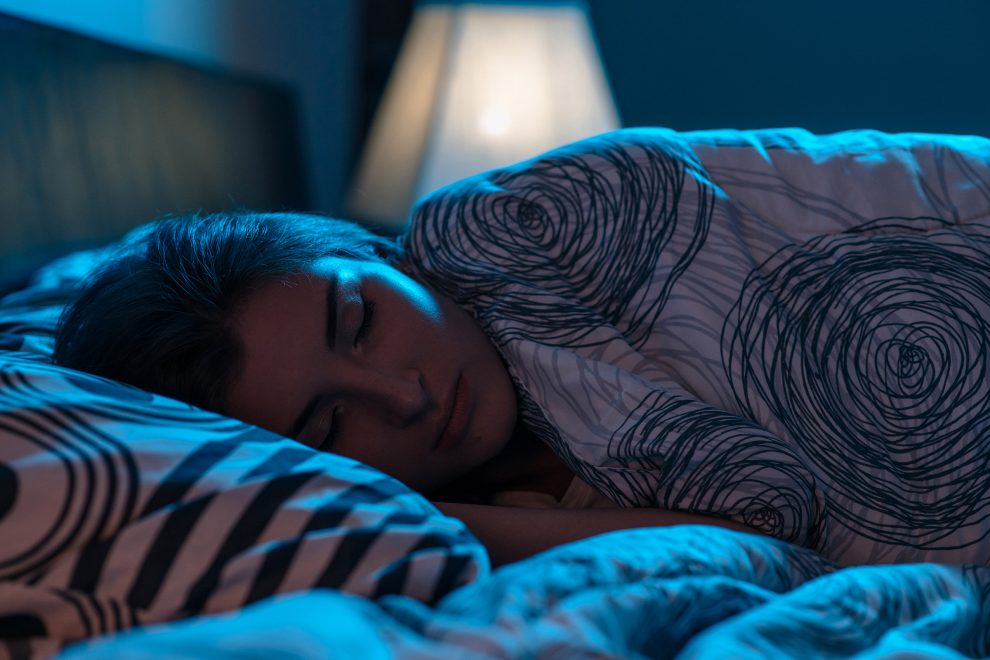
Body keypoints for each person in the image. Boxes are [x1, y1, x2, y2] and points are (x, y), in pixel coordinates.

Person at [53, 209, 758, 567]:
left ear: (384, 257)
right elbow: (751, 548)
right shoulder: (453, 527)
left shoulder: (550, 245)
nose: (403, 396)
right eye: (327, 429)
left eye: (361, 322)